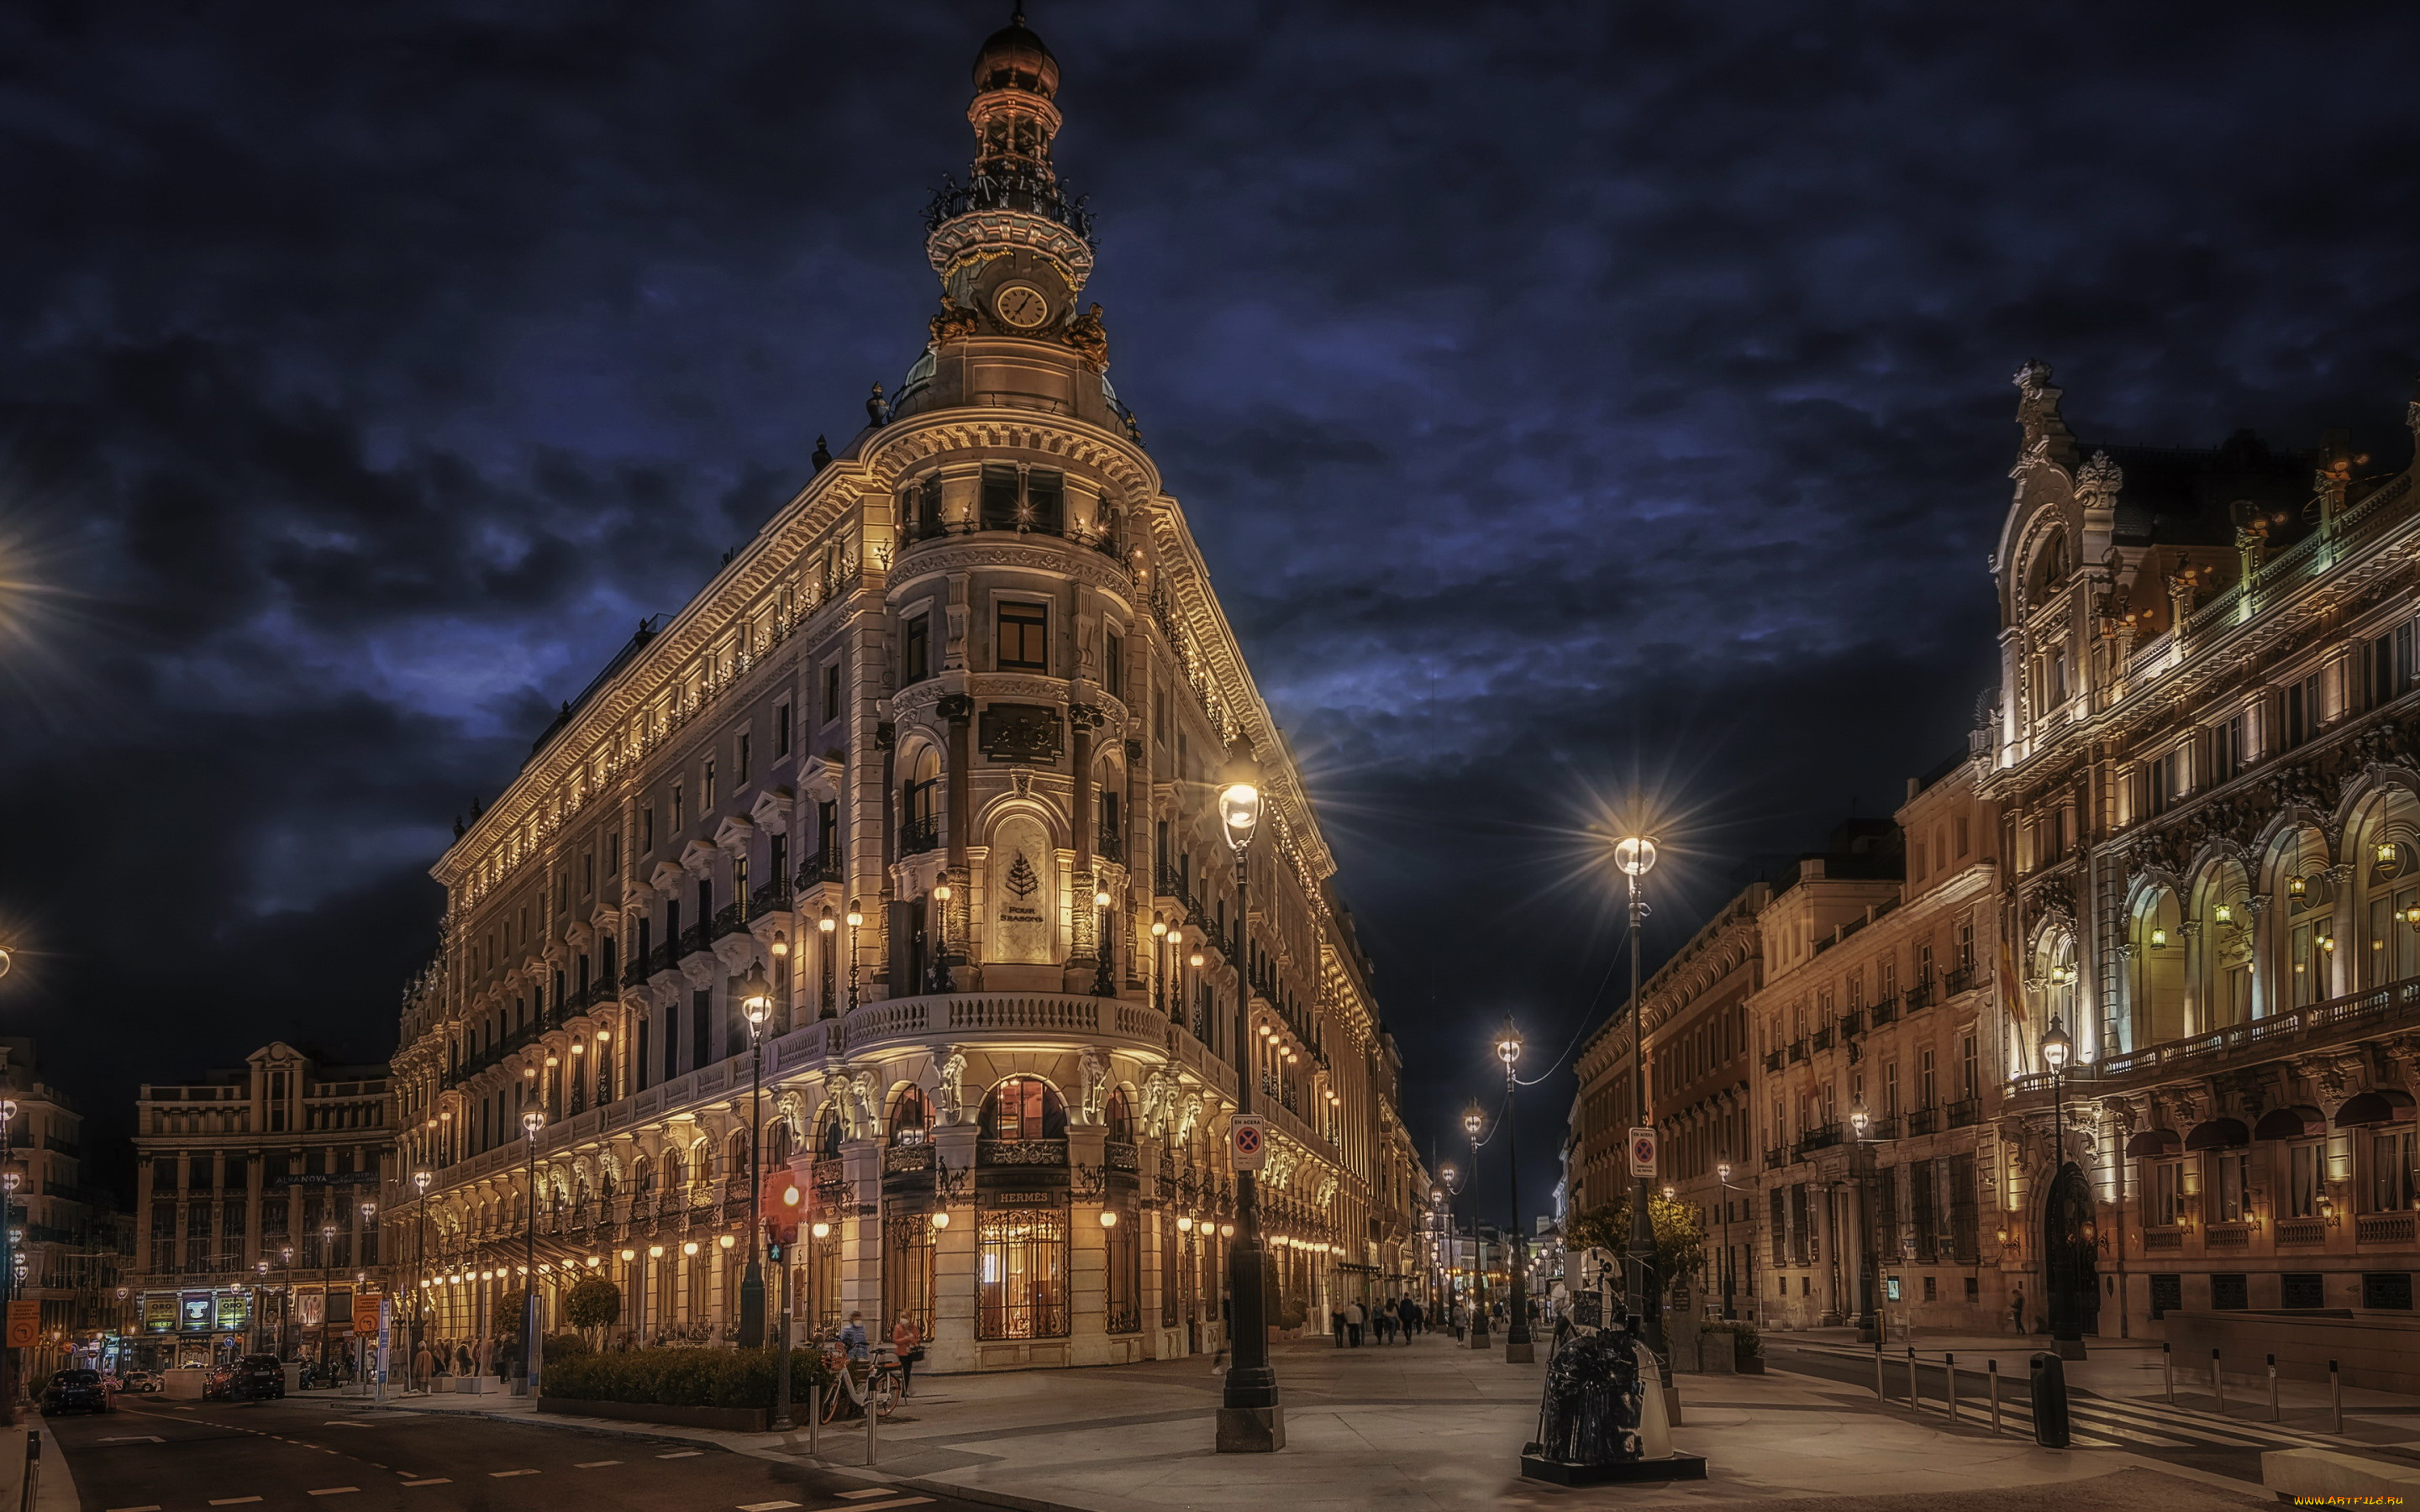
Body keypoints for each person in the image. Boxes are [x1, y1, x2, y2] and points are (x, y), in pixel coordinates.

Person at [891, 1314, 922, 1395]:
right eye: (903, 1318)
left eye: (906, 1318)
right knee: (905, 1372)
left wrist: (912, 1340)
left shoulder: (913, 1327)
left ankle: (905, 1390)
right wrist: (905, 1339)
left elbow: (916, 1339)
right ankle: (904, 1391)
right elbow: (895, 1340)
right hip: (902, 1353)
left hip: (910, 1353)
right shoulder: (898, 1327)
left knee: (907, 1372)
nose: (904, 1320)